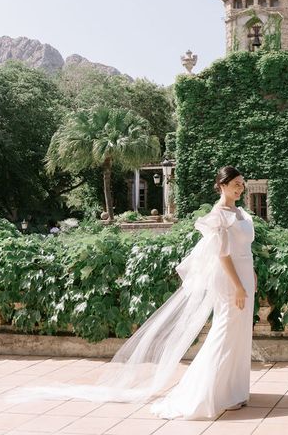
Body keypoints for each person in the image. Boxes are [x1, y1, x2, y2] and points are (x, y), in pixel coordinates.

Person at [15, 166, 257, 420]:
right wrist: (238, 285)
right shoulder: (217, 214)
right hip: (229, 281)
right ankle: (209, 392)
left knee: (240, 333)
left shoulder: (240, 213)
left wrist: (250, 276)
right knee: (225, 332)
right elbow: (222, 254)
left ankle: (234, 390)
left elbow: (244, 250)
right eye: (235, 184)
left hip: (244, 277)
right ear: (221, 185)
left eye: (242, 184)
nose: (240, 188)